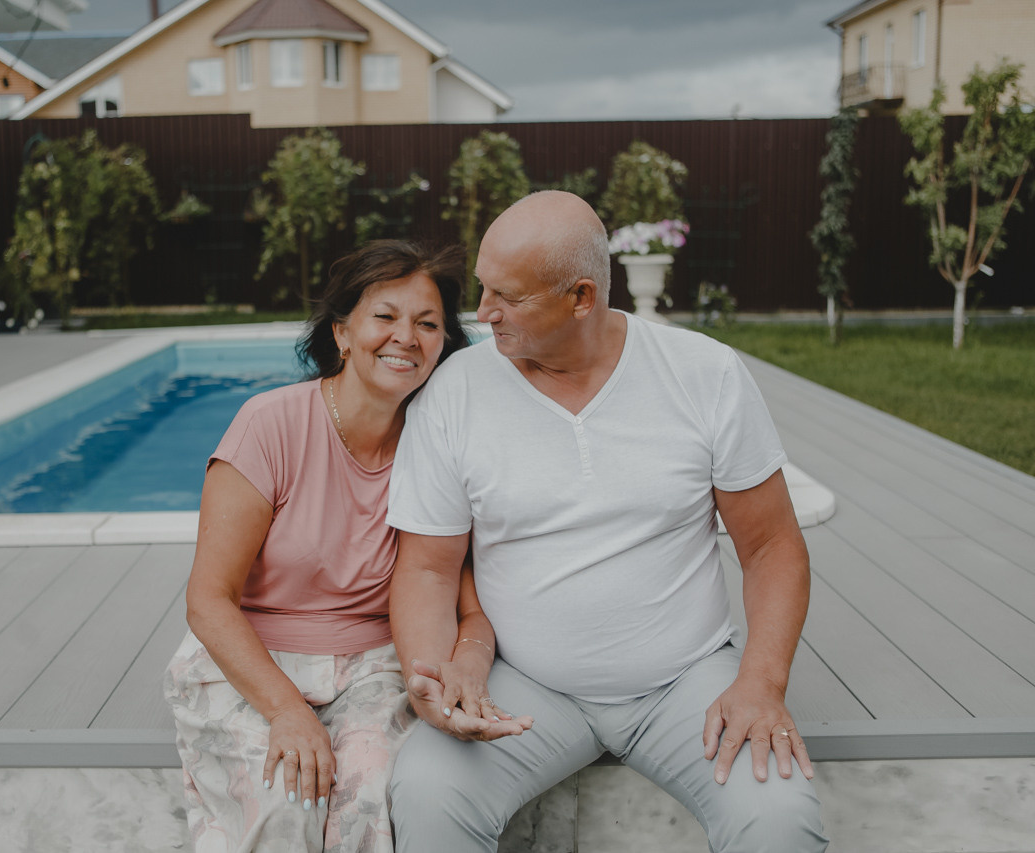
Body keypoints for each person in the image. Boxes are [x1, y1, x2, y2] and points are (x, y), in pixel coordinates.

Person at [386, 191, 828, 852]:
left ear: (581, 297)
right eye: (483, 287)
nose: (483, 312)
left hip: (686, 681)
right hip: (524, 683)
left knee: (780, 820)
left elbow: (771, 547)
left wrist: (762, 683)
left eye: (508, 296)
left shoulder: (704, 374)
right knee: (426, 792)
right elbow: (426, 568)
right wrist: (434, 675)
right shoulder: (455, 392)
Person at [163, 240, 526, 853]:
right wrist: (287, 711)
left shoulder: (439, 445)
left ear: (444, 345)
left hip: (373, 669)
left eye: (428, 324)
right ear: (342, 333)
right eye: (385, 316)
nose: (406, 337)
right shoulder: (269, 424)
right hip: (253, 660)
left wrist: (468, 662)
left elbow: (469, 609)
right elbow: (208, 600)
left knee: (369, 801)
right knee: (286, 803)